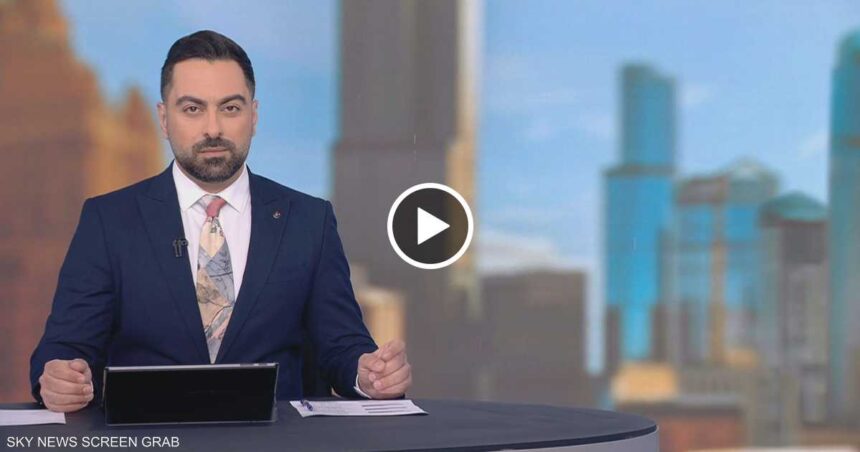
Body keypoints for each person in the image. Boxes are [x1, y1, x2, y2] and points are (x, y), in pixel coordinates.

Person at [29, 30, 412, 413]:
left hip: (277, 438)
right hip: (150, 434)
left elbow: (342, 346)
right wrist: (59, 378)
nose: (213, 129)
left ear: (254, 116)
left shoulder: (309, 221)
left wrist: (367, 375)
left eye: (229, 108)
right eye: (192, 109)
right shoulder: (109, 220)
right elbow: (65, 347)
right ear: (164, 119)